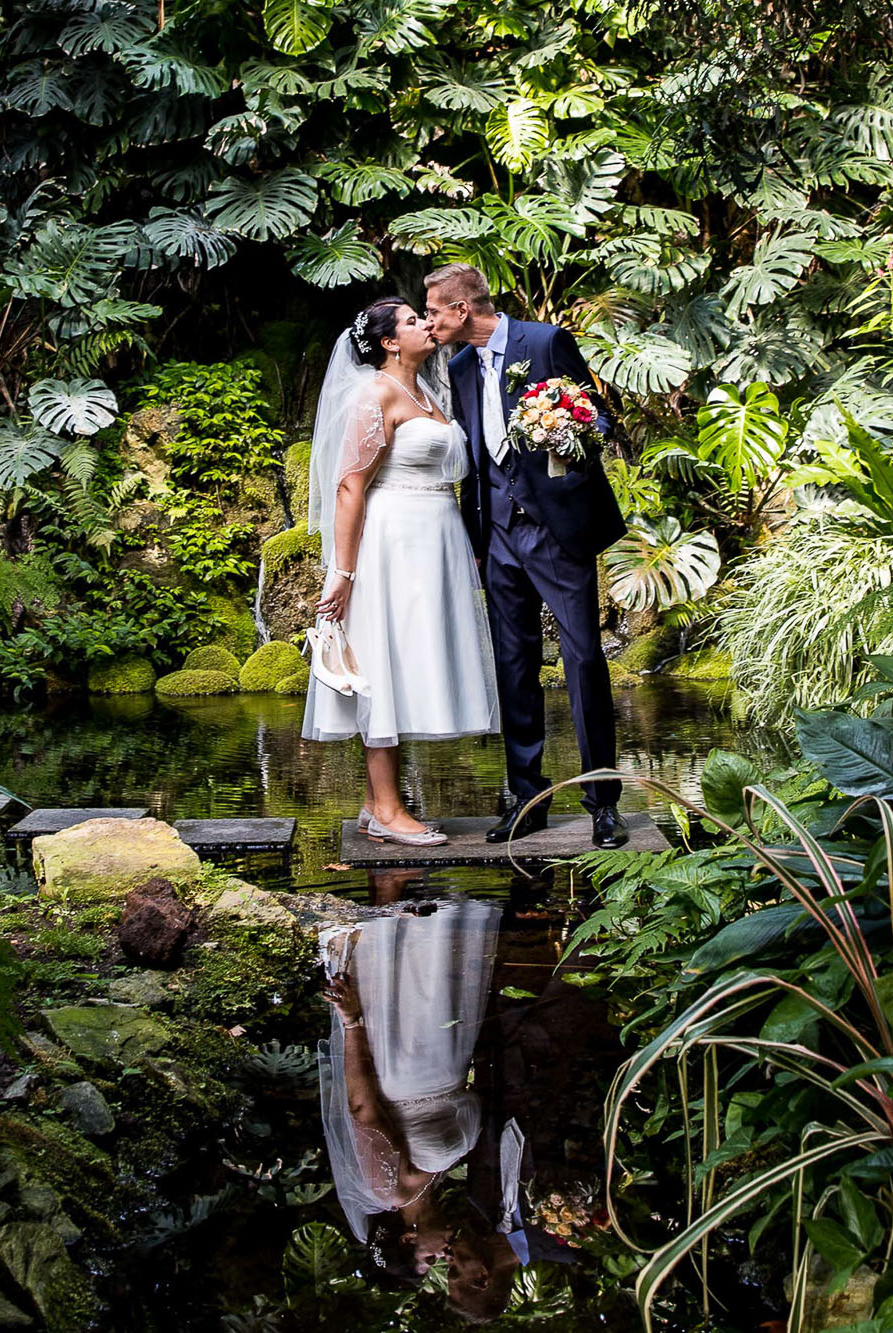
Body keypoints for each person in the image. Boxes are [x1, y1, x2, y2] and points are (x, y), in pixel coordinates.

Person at [424, 264, 630, 850]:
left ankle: (602, 804)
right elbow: (474, 463)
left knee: (584, 659)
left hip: (556, 531)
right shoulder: (460, 366)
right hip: (498, 537)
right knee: (514, 668)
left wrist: (565, 432)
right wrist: (477, 543)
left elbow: (598, 418)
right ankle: (528, 800)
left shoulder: (544, 342)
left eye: (435, 310)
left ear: (463, 309)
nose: (430, 320)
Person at [301, 297, 501, 847]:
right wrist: (343, 571)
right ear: (389, 342)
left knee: (409, 662)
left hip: (434, 540)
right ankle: (388, 811)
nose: (426, 324)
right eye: (413, 320)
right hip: (391, 544)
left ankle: (375, 804)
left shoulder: (429, 389)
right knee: (385, 663)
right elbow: (349, 485)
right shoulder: (377, 392)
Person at [317, 902, 502, 1281]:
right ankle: (432, 880)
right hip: (445, 1061)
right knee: (433, 953)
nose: (444, 1255)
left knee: (406, 966)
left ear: (407, 1240)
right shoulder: (437, 1183)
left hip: (407, 1064)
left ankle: (391, 878)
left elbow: (362, 1109)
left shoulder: (390, 1190)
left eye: (430, 1260)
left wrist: (352, 1023)